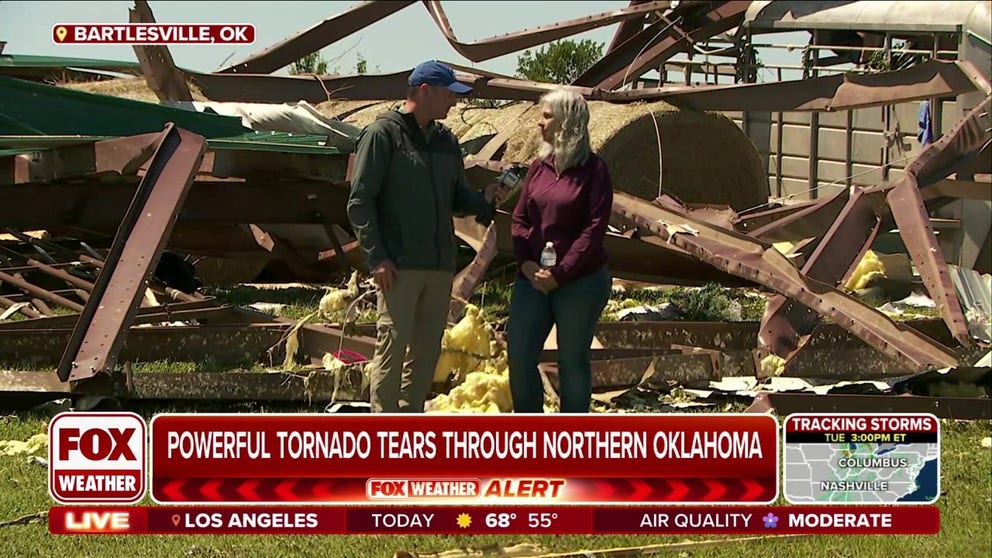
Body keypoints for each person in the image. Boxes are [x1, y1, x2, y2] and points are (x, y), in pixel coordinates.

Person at [347, 60, 508, 413]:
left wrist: (484, 198)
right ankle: (384, 436)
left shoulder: (446, 141)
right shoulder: (383, 135)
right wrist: (377, 258)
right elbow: (359, 203)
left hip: (438, 267)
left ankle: (410, 428)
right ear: (424, 91)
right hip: (399, 267)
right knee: (392, 349)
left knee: (426, 354)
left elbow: (456, 199)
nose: (454, 101)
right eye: (449, 94)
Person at [507, 88, 614, 414]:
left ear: (567, 122)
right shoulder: (538, 168)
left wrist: (562, 272)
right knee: (520, 354)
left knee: (572, 360)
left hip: (580, 280)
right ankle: (531, 438)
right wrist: (525, 262)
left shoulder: (595, 171)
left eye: (546, 116)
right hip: (533, 278)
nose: (539, 123)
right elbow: (520, 218)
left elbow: (593, 229)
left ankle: (571, 442)